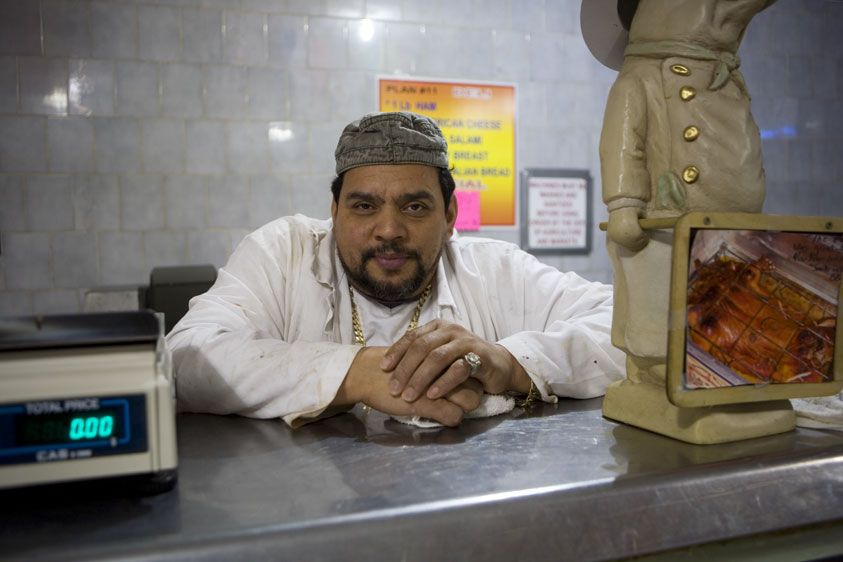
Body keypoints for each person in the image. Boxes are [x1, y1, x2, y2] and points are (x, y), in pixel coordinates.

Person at [167, 111, 624, 428]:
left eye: (414, 206)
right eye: (364, 206)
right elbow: (184, 359)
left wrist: (509, 362)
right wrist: (355, 373)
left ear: (449, 217)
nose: (388, 230)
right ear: (334, 212)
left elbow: (628, 331)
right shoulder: (283, 254)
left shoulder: (492, 269)